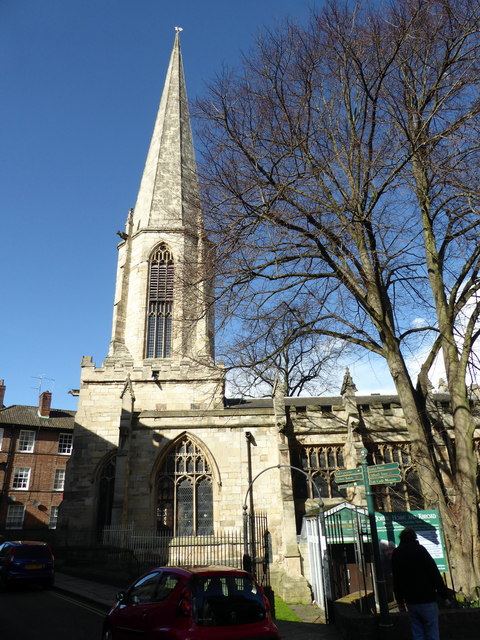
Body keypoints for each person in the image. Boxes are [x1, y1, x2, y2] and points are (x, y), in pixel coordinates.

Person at [391, 527, 451, 640]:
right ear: (414, 537)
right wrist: (444, 596)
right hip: (427, 597)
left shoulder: (397, 553)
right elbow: (434, 573)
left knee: (417, 632)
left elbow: (396, 579)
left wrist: (399, 601)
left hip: (410, 600)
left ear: (401, 539)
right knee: (432, 631)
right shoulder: (420, 550)